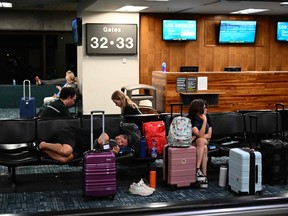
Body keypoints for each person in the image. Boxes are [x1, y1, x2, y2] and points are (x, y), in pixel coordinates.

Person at [38, 126, 136, 164]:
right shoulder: (112, 130)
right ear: (120, 136)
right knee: (66, 151)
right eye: (122, 141)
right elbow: (100, 141)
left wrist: (112, 153)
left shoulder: (112, 147)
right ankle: (43, 144)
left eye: (122, 145)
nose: (120, 144)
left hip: (80, 150)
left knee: (64, 159)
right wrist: (108, 150)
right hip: (75, 135)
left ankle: (43, 149)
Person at [188, 99, 212, 189]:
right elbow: (201, 134)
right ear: (198, 110)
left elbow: (209, 135)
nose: (206, 110)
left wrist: (205, 120)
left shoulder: (208, 117)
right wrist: (204, 122)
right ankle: (204, 176)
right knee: (204, 147)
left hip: (201, 141)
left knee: (201, 141)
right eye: (204, 108)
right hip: (192, 143)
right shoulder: (191, 119)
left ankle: (197, 168)